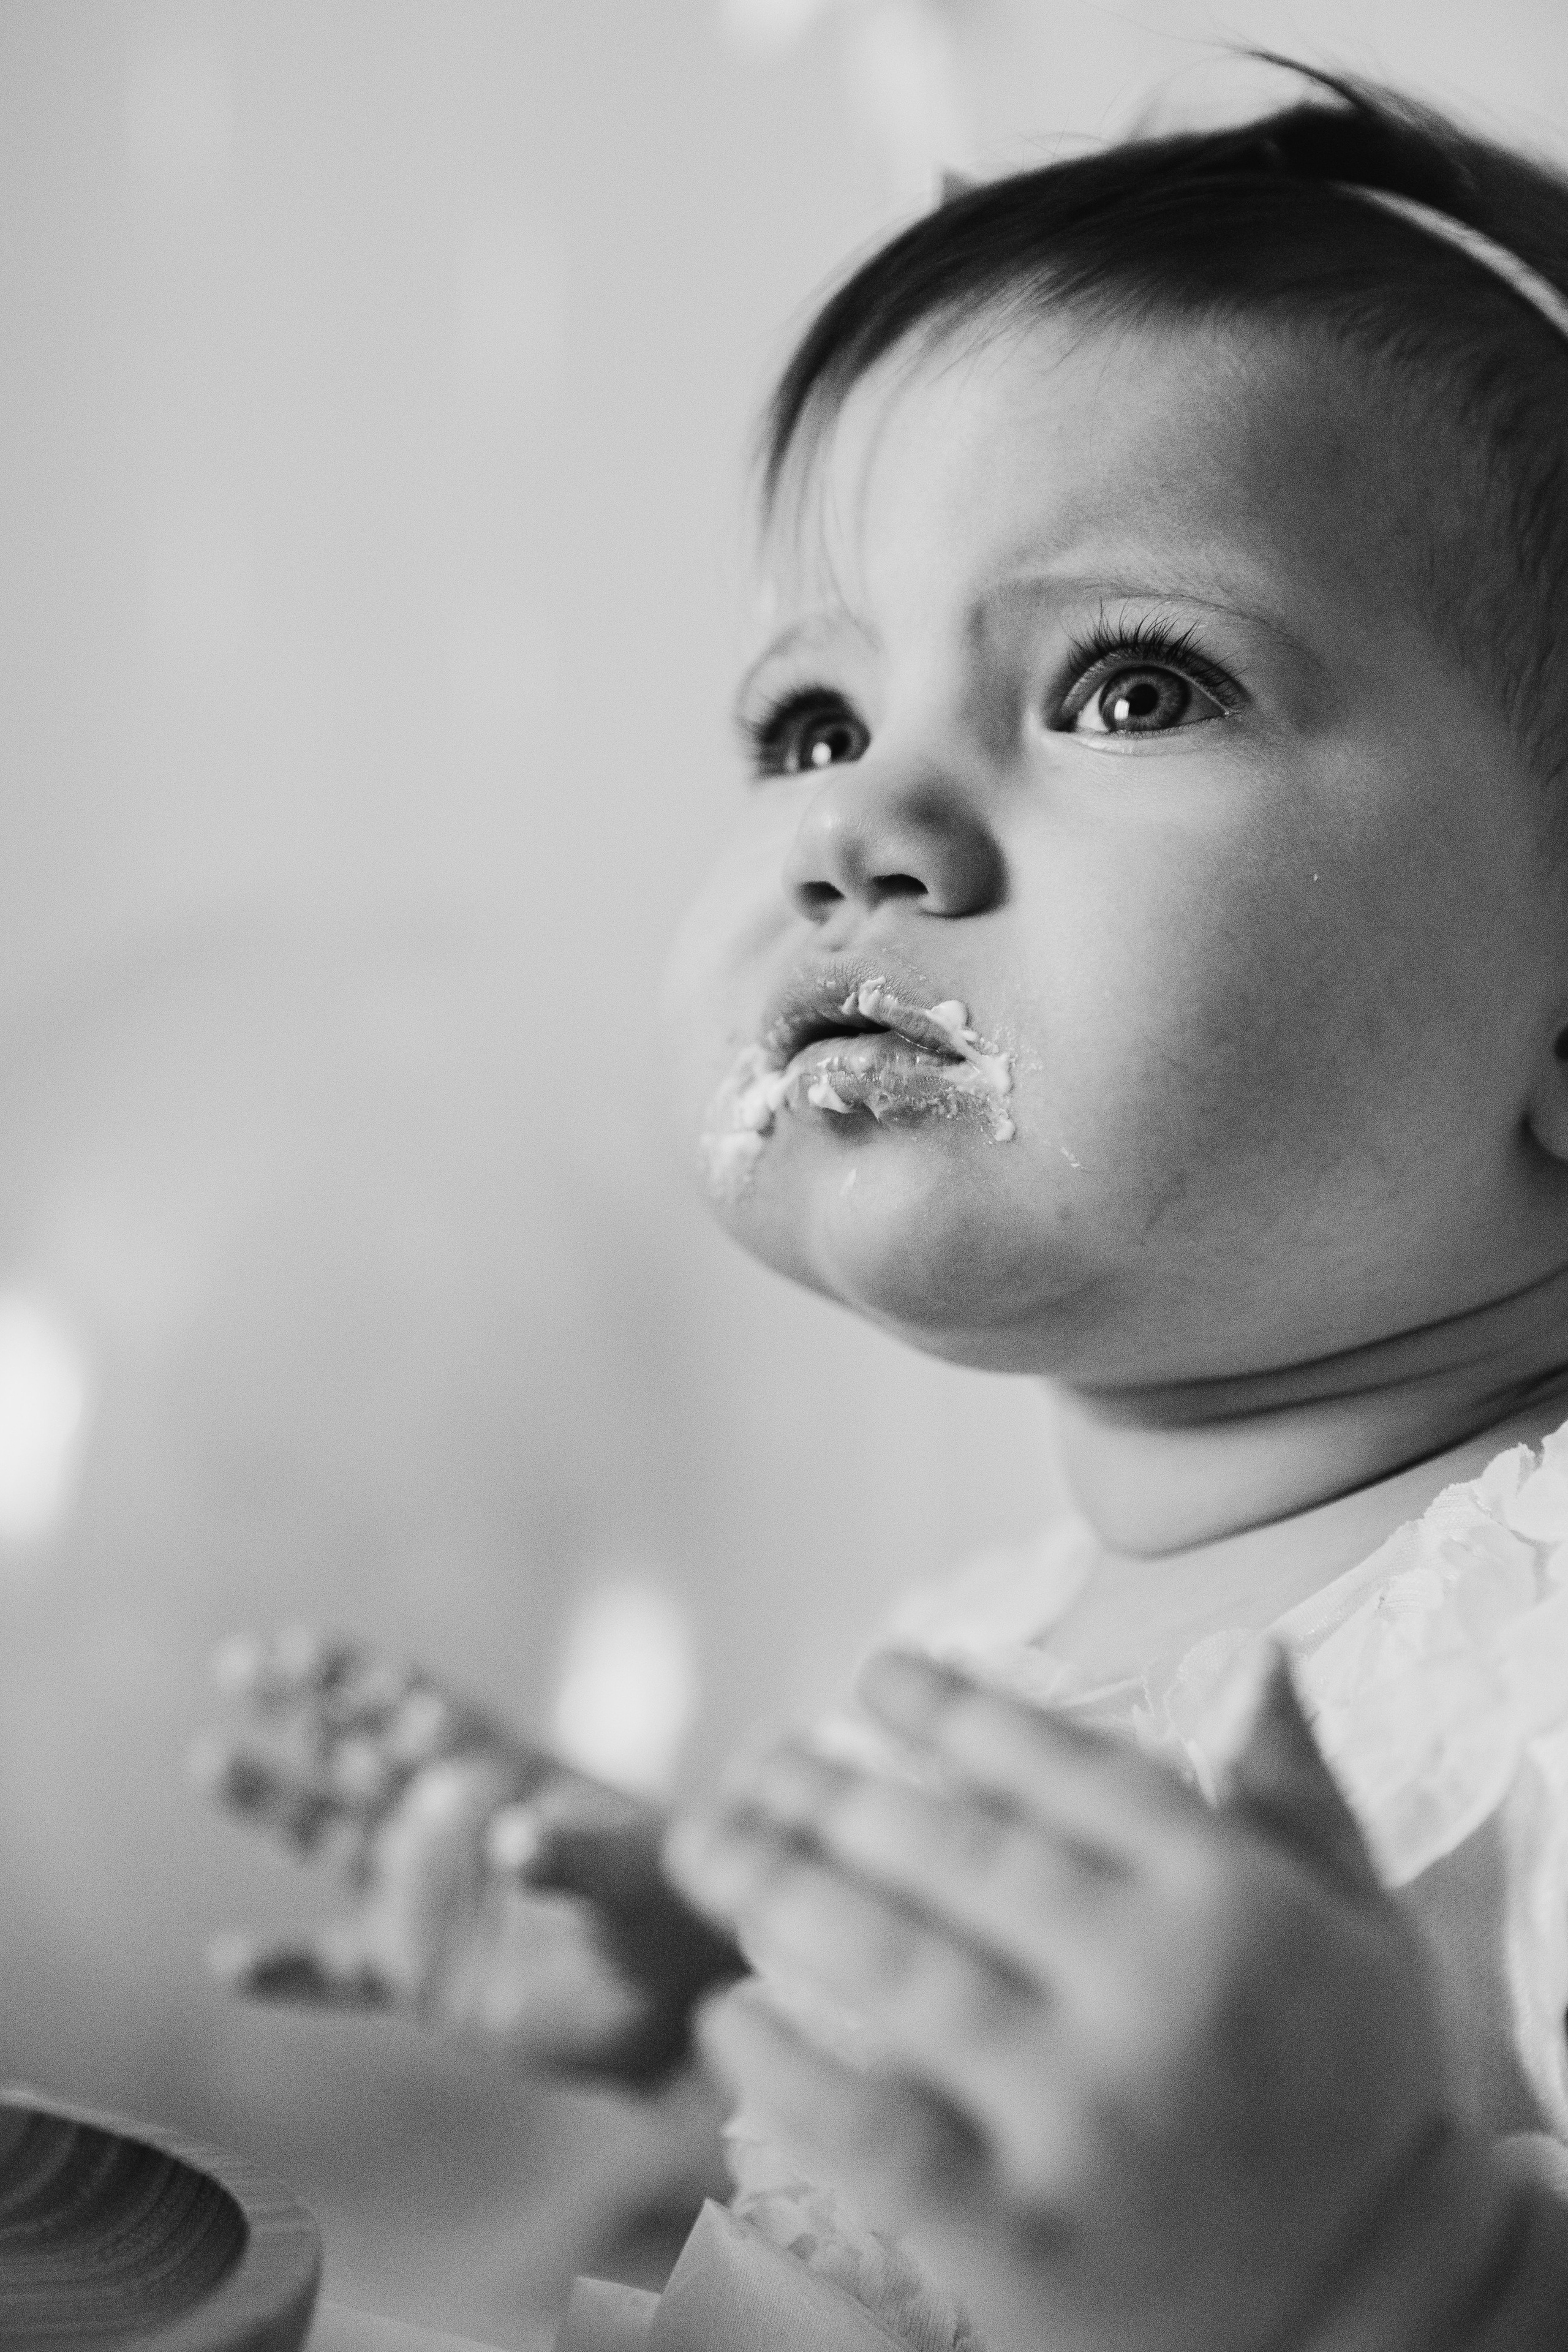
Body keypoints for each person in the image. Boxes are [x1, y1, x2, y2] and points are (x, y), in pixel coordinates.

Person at [196, 64, 1568, 2351]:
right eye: (813, 724)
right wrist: (714, 2010)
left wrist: (1393, 2274)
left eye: (1132, 680)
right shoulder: (978, 1634)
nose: (868, 823)